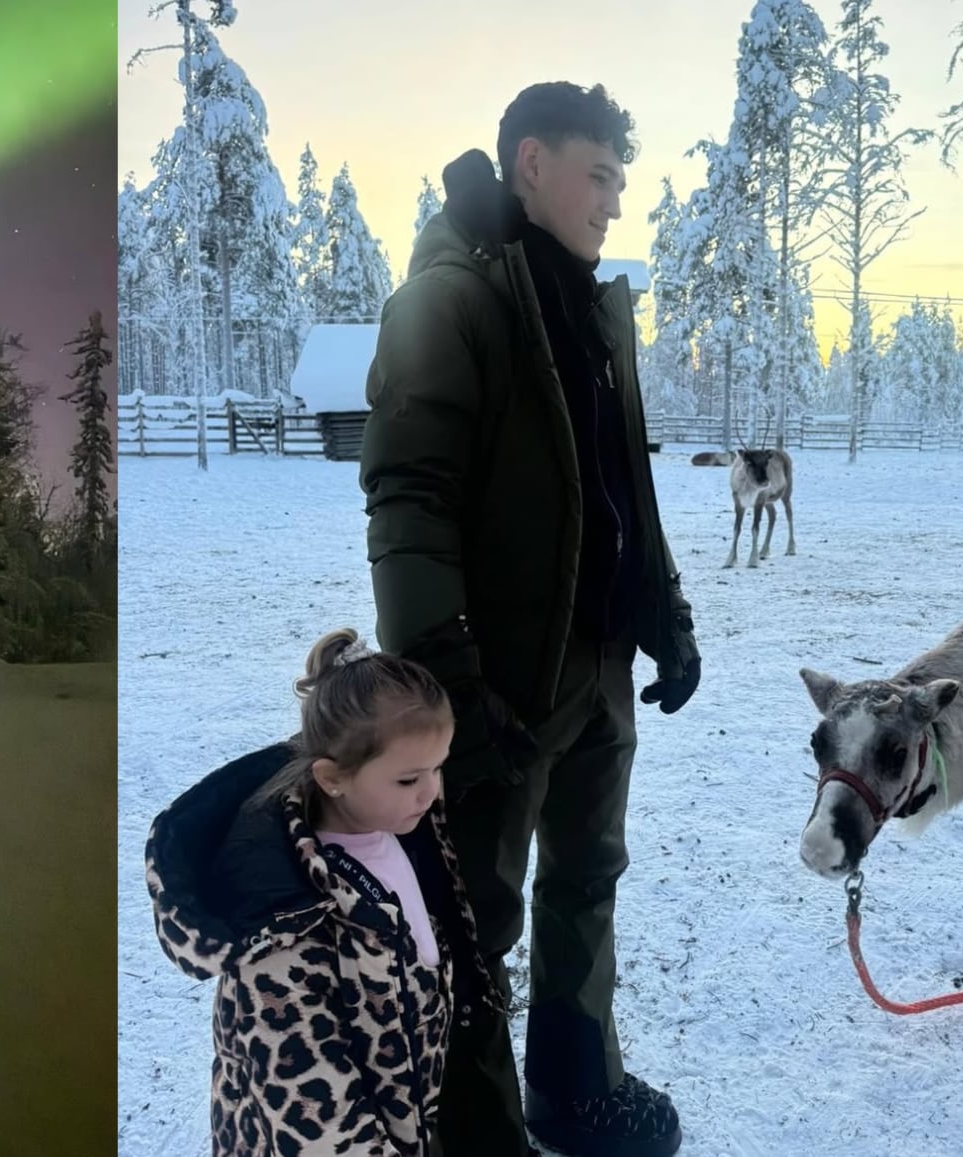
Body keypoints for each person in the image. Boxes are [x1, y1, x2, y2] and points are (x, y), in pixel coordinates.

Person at [361, 81, 700, 1157]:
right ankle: (473, 1128)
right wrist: (440, 671)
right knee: (475, 917)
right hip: (496, 679)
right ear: (528, 163)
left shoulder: (598, 311)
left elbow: (619, 492)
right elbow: (407, 494)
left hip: (596, 665)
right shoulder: (450, 299)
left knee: (586, 877)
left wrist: (667, 617)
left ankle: (569, 1085)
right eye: (595, 175)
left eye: (618, 180)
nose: (611, 200)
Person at [146, 630, 497, 1156]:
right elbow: (317, 1121)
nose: (432, 791)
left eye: (438, 767)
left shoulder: (395, 827)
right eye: (409, 779)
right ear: (332, 778)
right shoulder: (285, 933)